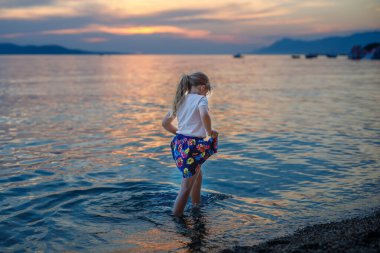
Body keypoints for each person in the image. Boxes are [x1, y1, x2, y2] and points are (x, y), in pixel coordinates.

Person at [162, 72, 218, 217]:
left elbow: (165, 123)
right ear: (202, 87)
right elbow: (204, 115)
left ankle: (196, 206)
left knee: (197, 174)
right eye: (207, 91)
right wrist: (209, 132)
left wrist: (180, 134)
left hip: (180, 144)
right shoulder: (201, 100)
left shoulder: (180, 99)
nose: (206, 93)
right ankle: (176, 216)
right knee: (186, 187)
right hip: (192, 147)